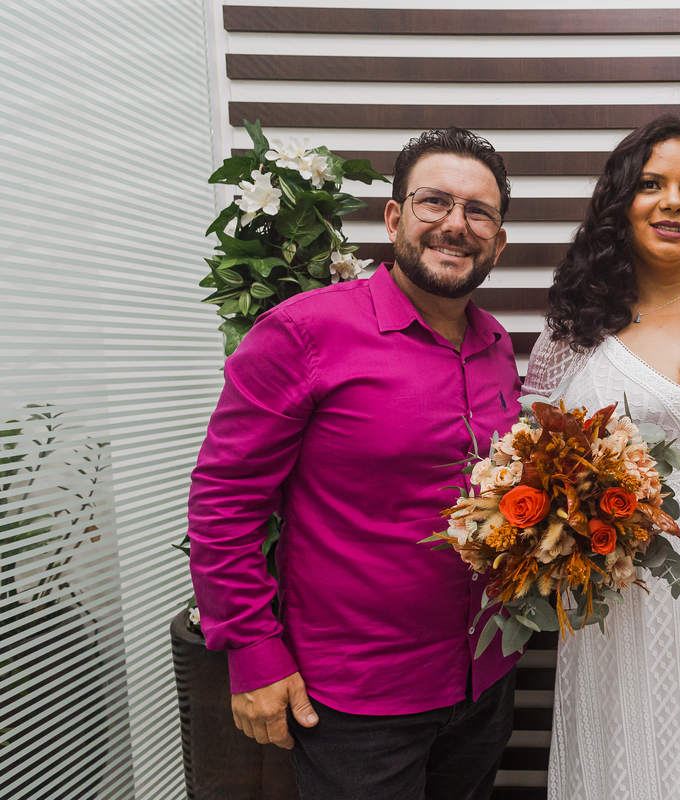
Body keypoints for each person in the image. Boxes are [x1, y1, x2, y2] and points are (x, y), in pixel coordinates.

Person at [188, 127, 523, 800]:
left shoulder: (496, 345)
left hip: (484, 681)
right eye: (434, 202)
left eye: (478, 211)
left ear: (498, 240)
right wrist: (252, 656)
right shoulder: (304, 332)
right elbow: (223, 501)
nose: (455, 225)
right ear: (394, 217)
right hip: (358, 708)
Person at [524, 114, 680, 800]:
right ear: (620, 200)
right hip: (621, 585)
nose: (674, 202)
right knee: (627, 751)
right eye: (652, 185)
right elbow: (535, 469)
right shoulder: (573, 328)